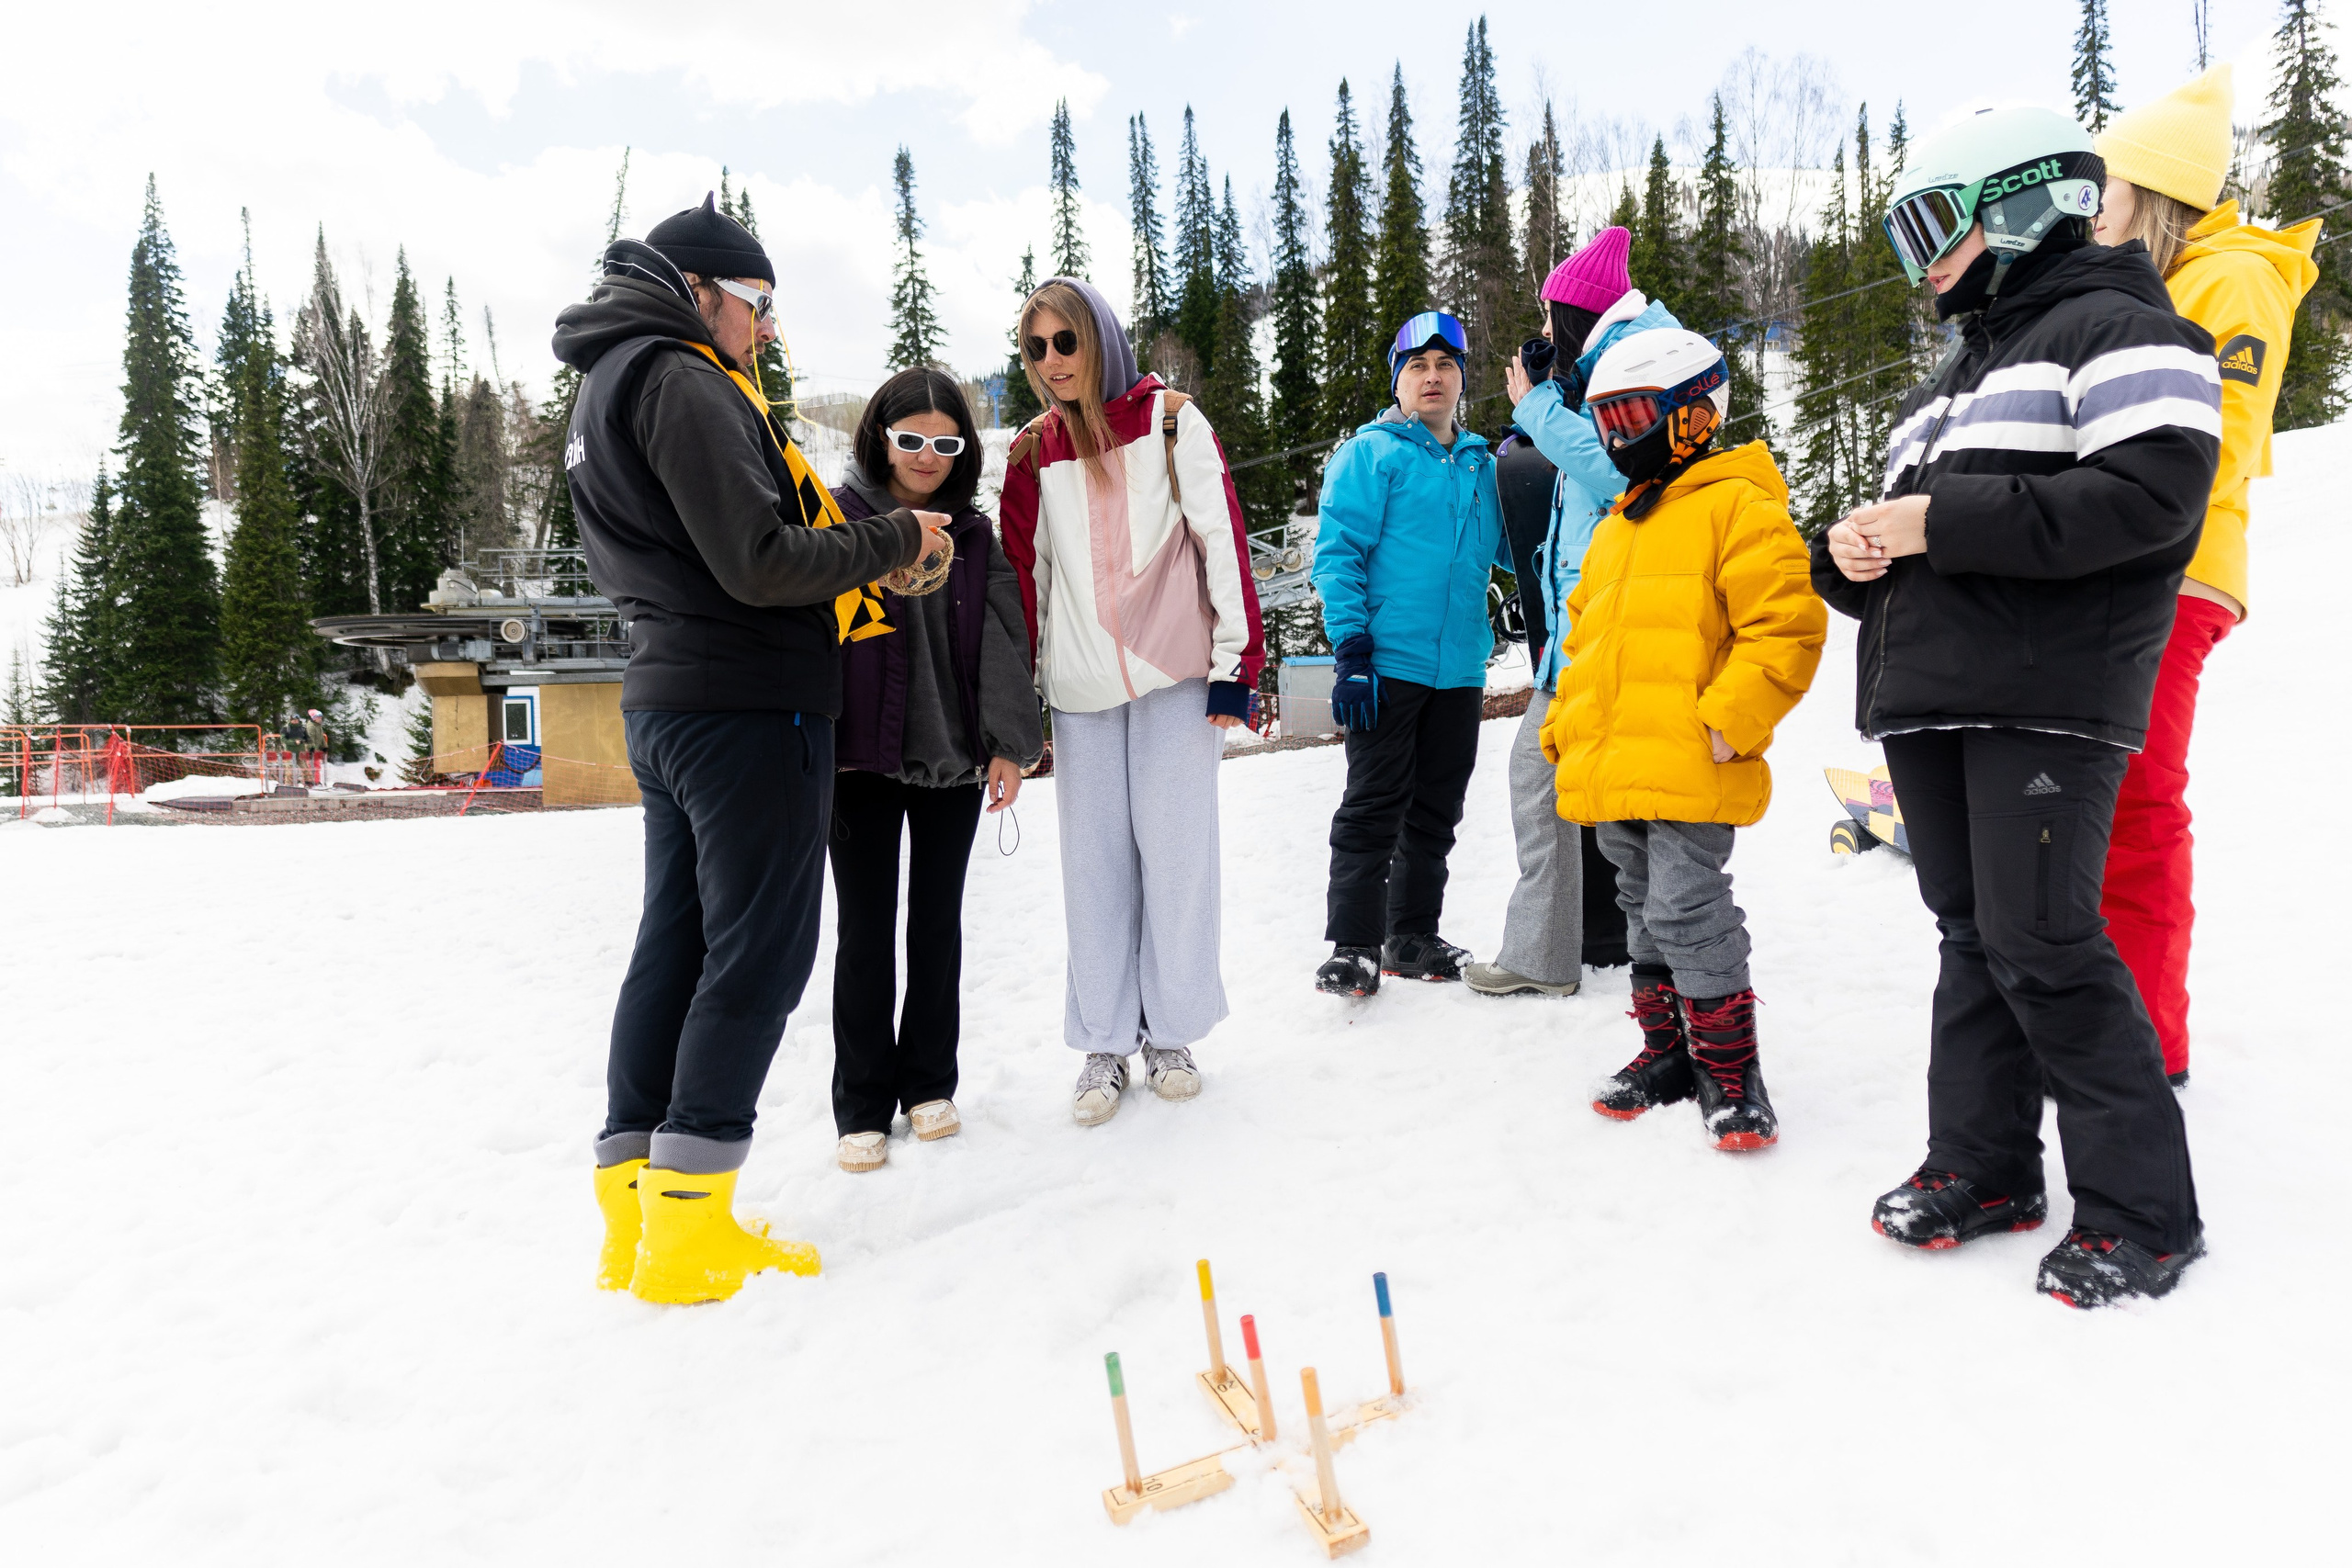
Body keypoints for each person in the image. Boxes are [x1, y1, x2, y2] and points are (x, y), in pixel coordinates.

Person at [1816, 107, 2222, 1307]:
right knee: (1972, 934)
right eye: (1903, 239)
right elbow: (1922, 546)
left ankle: (2144, 1214)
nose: (1921, 264)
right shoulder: (1951, 381)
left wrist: (1937, 521)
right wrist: (1853, 554)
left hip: (2046, 694)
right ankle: (1984, 1166)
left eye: (1931, 227)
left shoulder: (2127, 329)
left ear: (2023, 204)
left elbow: (2150, 499)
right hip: (1936, 696)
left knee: (2044, 938)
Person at [553, 196, 944, 1303]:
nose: (766, 327)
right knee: (759, 954)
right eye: (756, 301)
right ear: (697, 291)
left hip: (670, 697)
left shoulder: (607, 377)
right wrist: (892, 536)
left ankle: (637, 1216)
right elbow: (758, 561)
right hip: (746, 704)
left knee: (675, 945)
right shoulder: (681, 378)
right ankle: (689, 1227)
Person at [2091, 64, 2320, 1088]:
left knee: (2139, 803)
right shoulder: (2158, 282)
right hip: (2127, 564)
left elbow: (2209, 447)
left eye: (2103, 190)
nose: (2090, 211)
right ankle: (2098, 1021)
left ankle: (2147, 1041)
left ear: (2150, 192)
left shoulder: (2231, 279)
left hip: (2176, 570)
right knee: (2104, 801)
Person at [1544, 326, 1825, 1151]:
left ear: (1695, 414)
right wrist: (1565, 725)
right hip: (1616, 760)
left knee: (1685, 904)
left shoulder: (1738, 505)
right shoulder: (1617, 528)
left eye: (1630, 416)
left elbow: (1785, 625)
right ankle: (1668, 1049)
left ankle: (1731, 1071)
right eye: (1604, 420)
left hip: (1692, 756)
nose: (1614, 436)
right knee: (1639, 903)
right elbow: (1585, 644)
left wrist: (1732, 720)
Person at [997, 277, 1264, 1126]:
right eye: (1035, 349)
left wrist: (1236, 664)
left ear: (1100, 338)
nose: (1051, 361)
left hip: (1175, 677)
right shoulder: (1034, 452)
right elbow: (1023, 583)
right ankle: (1104, 1041)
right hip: (1080, 693)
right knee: (1095, 870)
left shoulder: (1170, 422)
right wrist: (1014, 710)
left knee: (1178, 859)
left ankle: (1171, 1033)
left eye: (1065, 341)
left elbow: (1222, 541)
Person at [828, 367, 1044, 1174]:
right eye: (911, 438)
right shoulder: (838, 520)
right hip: (857, 758)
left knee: (936, 923)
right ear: (880, 438)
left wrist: (1008, 742)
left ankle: (928, 1083)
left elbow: (1005, 640)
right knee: (864, 929)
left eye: (945, 443)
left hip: (952, 757)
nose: (927, 455)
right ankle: (861, 1103)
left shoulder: (975, 536)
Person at [1475, 227, 1676, 998]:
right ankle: (1572, 953)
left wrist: (1538, 407)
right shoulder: (1609, 364)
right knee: (1560, 783)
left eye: (1548, 315)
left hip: (1617, 625)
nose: (1543, 328)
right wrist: (1547, 408)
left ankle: (1635, 959)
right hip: (1585, 628)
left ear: (1575, 313)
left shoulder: (1641, 357)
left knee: (1604, 796)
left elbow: (1622, 470)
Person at [1309, 310, 1510, 997]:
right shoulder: (1371, 455)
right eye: (1418, 366)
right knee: (1373, 804)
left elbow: (1509, 549)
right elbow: (1338, 554)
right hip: (1386, 664)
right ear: (1398, 381)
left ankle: (1411, 936)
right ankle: (1355, 946)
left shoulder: (1482, 465)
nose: (1432, 376)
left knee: (1436, 809)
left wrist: (1535, 461)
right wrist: (1352, 651)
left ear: (1462, 378)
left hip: (1459, 668)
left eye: (1445, 365)